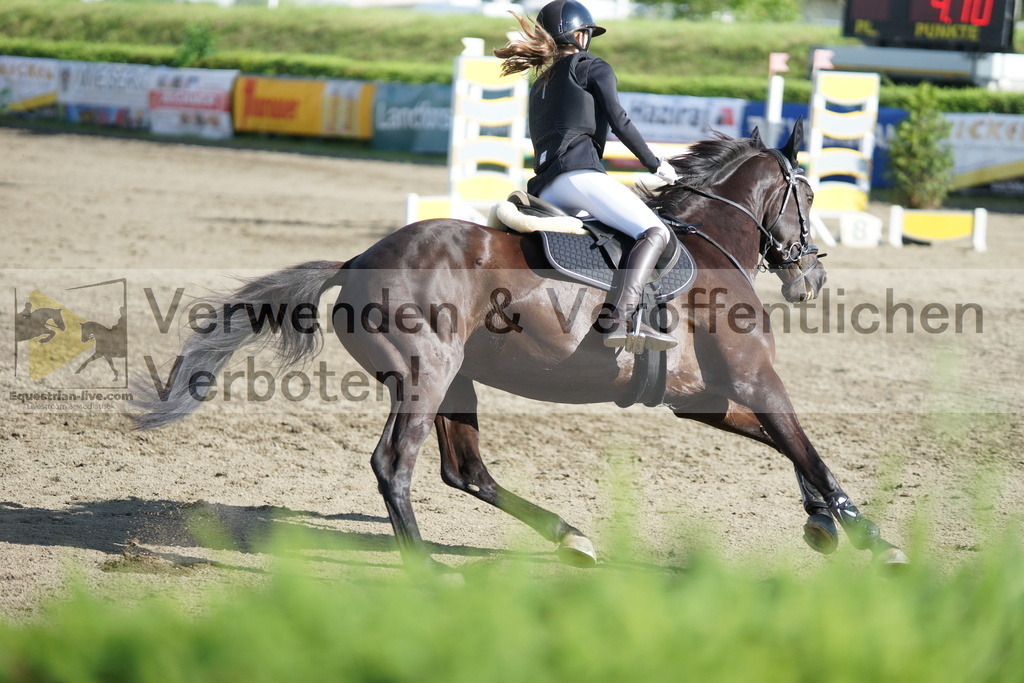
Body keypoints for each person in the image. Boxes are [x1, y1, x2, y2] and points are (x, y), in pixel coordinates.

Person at [495, 0, 679, 352]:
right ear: (579, 35)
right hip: (579, 176)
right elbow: (620, 120)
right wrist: (655, 163)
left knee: (601, 242)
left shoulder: (541, 83)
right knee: (653, 231)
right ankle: (621, 319)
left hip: (545, 189)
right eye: (587, 33)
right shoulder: (591, 66)